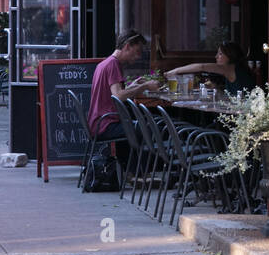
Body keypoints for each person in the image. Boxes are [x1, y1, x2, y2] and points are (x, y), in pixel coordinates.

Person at [87, 31, 152, 172]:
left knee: (132, 125)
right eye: (137, 51)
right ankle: (137, 173)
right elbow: (119, 95)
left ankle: (128, 171)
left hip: (98, 123)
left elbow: (114, 92)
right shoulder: (113, 64)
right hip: (105, 125)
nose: (139, 56)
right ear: (127, 46)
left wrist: (134, 85)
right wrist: (145, 86)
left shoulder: (105, 63)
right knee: (146, 128)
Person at [168, 42, 256, 97]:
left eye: (220, 54)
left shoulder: (230, 68)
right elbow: (231, 96)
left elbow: (202, 67)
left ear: (230, 56)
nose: (216, 57)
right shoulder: (235, 69)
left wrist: (175, 71)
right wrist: (216, 88)